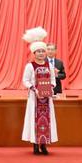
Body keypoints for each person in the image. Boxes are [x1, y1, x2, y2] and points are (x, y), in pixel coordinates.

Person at [22, 27, 58, 155]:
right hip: (34, 99)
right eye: (39, 51)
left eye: (43, 51)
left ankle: (44, 145)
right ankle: (35, 145)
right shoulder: (30, 66)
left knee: (46, 121)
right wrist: (34, 89)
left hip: (47, 99)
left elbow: (53, 80)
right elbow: (25, 81)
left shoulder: (50, 66)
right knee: (35, 120)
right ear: (34, 53)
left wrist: (50, 87)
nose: (42, 54)